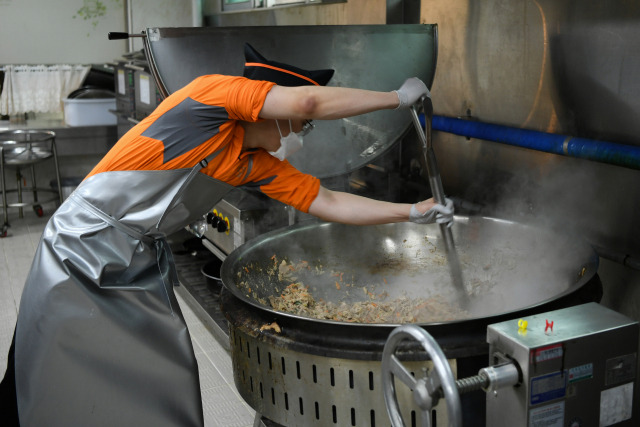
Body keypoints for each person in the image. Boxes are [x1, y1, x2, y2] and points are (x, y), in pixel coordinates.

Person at [0, 43, 453, 426]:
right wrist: (395, 98)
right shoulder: (209, 98)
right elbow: (308, 103)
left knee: (161, 368)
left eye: (305, 127)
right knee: (57, 360)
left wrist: (412, 212)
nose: (301, 131)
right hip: (86, 243)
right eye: (300, 124)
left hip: (135, 257)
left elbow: (330, 203)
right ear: (267, 103)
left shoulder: (252, 162)